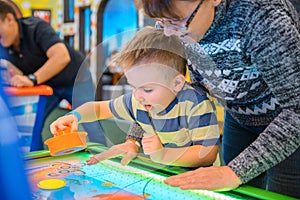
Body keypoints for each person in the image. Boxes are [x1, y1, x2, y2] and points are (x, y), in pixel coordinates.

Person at [123, 0, 300, 198]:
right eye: (161, 22)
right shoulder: (171, 22)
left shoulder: (262, 19)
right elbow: (156, 87)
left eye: (177, 21)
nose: (168, 33)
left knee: (283, 192)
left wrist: (234, 172)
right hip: (239, 118)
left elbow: (296, 109)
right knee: (237, 193)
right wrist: (135, 138)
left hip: (288, 123)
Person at [50, 26, 220, 168]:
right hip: (164, 172)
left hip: (197, 178)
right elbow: (99, 109)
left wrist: (163, 154)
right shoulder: (138, 100)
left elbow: (207, 153)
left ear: (176, 83)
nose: (138, 96)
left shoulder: (194, 103)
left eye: (148, 89)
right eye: (134, 87)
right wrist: (74, 116)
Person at [0, 1, 106, 150]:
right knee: (33, 125)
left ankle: (104, 160)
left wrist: (32, 79)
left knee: (92, 124)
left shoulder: (35, 27)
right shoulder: (5, 45)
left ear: (9, 19)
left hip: (76, 79)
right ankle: (36, 164)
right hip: (48, 85)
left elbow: (62, 56)